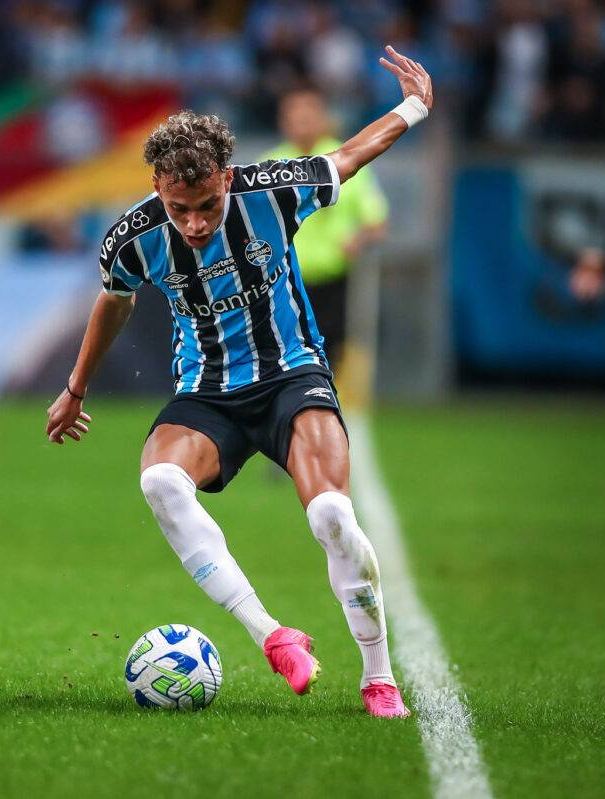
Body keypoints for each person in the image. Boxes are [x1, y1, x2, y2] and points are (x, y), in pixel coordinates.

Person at [45, 46, 433, 719]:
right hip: (207, 391)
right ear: (157, 187)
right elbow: (114, 299)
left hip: (291, 374)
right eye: (179, 209)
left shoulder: (272, 190)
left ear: (227, 177)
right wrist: (76, 387)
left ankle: (379, 676)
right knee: (160, 482)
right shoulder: (133, 237)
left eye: (207, 205)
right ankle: (272, 635)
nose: (194, 224)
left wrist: (415, 106)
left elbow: (351, 155)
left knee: (331, 515)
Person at [260, 86, 389, 373]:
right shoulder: (270, 166)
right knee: (281, 353)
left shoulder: (344, 162)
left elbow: (377, 221)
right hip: (283, 282)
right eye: (294, 118)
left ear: (322, 119)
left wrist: (359, 239)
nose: (301, 124)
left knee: (328, 353)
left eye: (307, 117)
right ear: (283, 121)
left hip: (333, 280)